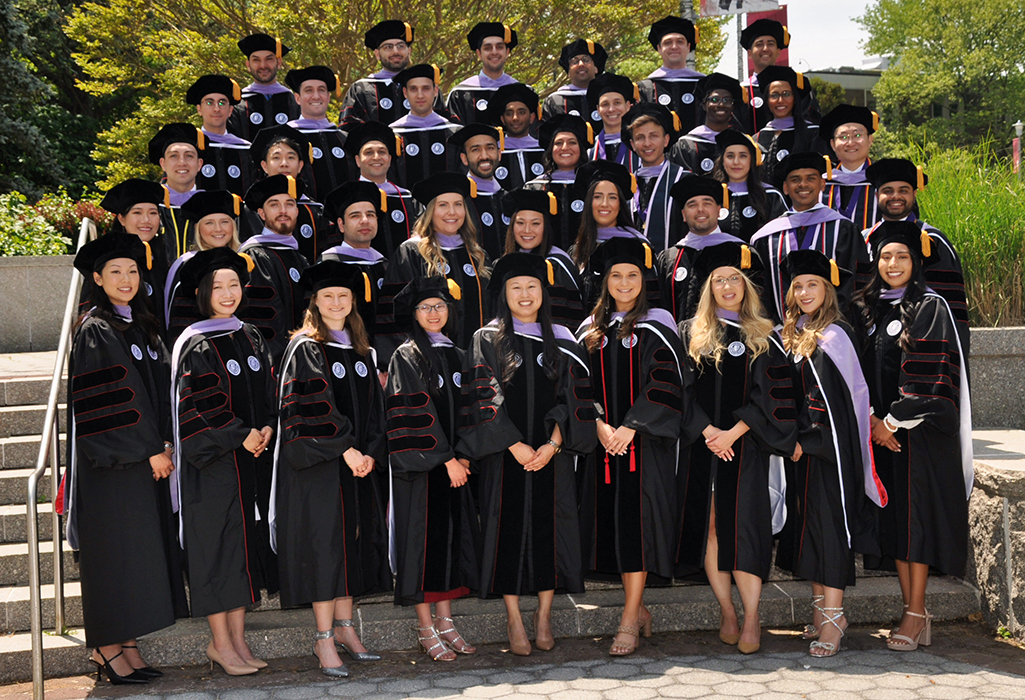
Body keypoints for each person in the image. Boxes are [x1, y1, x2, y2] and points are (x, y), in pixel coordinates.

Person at [458, 253, 596, 655]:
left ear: (543, 293)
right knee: (506, 529)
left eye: (531, 286)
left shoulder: (563, 340)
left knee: (551, 529)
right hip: (506, 454)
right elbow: (484, 397)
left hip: (551, 454)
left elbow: (575, 398)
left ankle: (544, 615)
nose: (524, 294)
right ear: (504, 294)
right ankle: (515, 617)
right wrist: (514, 444)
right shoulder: (487, 338)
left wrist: (553, 444)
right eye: (516, 287)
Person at [64, 233, 179, 685]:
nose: (126, 278)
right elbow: (111, 400)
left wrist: (164, 443)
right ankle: (106, 647)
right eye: (115, 271)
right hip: (111, 465)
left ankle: (128, 641)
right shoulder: (96, 329)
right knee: (113, 553)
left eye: (132, 270)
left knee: (135, 553)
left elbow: (155, 391)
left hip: (144, 459)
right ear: (97, 278)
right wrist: (150, 448)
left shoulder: (140, 326)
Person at [852, 221, 972, 652]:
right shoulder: (869, 308)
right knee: (897, 525)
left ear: (915, 261)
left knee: (915, 523)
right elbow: (857, 374)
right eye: (886, 256)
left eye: (902, 256)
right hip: (880, 435)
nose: (893, 263)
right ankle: (911, 609)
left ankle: (916, 611)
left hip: (917, 438)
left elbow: (930, 377)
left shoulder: (929, 306)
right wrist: (869, 420)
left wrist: (892, 422)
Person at [271, 260, 391, 677]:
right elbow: (309, 407)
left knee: (350, 548)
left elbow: (377, 411)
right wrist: (347, 451)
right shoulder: (306, 347)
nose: (337, 302)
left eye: (343, 295)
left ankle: (344, 629)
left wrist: (371, 452)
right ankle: (323, 639)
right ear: (315, 303)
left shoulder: (362, 350)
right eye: (328, 297)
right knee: (326, 550)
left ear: (353, 301)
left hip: (358, 468)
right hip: (322, 468)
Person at [676, 242, 796, 655]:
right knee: (710, 528)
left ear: (746, 286)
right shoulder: (691, 334)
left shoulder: (765, 335)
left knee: (744, 530)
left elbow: (776, 398)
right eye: (719, 280)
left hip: (745, 449)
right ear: (708, 287)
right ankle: (727, 610)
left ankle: (753, 614)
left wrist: (733, 432)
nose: (727, 286)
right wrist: (709, 431)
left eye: (734, 279)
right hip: (703, 448)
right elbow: (680, 395)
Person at [169, 248, 276, 676]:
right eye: (218, 287)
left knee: (240, 550)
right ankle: (219, 642)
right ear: (201, 293)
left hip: (248, 461)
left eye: (234, 284)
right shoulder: (195, 342)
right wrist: (240, 433)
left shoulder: (249, 334)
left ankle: (237, 640)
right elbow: (197, 407)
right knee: (216, 550)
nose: (228, 293)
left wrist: (267, 425)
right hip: (212, 466)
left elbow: (267, 392)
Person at [775, 249, 885, 658]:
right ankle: (822, 610)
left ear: (827, 290)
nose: (805, 292)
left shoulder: (834, 336)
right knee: (810, 531)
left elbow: (833, 404)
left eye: (813, 285)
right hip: (800, 451)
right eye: (799, 285)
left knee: (831, 531)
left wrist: (809, 440)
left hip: (827, 453)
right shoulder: (793, 332)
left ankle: (835, 616)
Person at [577, 237, 683, 656]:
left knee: (638, 528)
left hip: (643, 447)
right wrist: (601, 425)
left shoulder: (658, 323)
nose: (623, 282)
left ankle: (629, 617)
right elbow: (578, 387)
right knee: (616, 529)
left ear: (644, 280)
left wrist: (631, 427)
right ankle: (637, 610)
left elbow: (667, 385)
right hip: (604, 446)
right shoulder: (591, 329)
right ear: (605, 281)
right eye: (616, 276)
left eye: (632, 275)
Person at [385, 276, 481, 662]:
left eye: (440, 306)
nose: (433, 313)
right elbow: (412, 414)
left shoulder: (459, 355)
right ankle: (425, 626)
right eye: (425, 307)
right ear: (414, 314)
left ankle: (446, 622)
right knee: (424, 547)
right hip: (424, 471)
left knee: (452, 545)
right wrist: (447, 459)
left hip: (458, 468)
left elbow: (475, 410)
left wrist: (467, 455)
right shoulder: (405, 357)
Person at [863, 158, 969, 357]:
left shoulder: (932, 241)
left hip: (921, 343)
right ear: (877, 195)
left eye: (903, 190)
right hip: (873, 347)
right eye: (888, 190)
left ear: (914, 194)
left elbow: (952, 308)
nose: (896, 196)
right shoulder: (864, 241)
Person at [382, 173, 490, 359]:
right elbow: (396, 311)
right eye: (443, 205)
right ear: (430, 211)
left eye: (458, 204)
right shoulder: (412, 252)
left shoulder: (477, 255)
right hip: (429, 359)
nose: (452, 212)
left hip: (478, 361)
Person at [750, 153, 867, 323]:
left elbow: (855, 285)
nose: (803, 184)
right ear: (785, 188)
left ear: (822, 184)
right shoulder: (766, 238)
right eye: (795, 179)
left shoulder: (843, 229)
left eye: (810, 178)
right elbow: (761, 292)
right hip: (781, 335)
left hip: (831, 332)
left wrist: (839, 326)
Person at [237, 174, 310, 363]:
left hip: (302, 359)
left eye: (290, 204)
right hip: (273, 363)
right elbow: (261, 318)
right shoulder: (254, 256)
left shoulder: (300, 258)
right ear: (261, 213)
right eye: (274, 204)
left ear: (297, 210)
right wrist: (278, 361)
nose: (283, 210)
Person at [569, 161, 657, 308]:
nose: (605, 204)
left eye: (612, 197)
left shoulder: (638, 246)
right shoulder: (578, 249)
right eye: (597, 197)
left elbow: (651, 299)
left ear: (620, 204)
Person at [659, 176, 743, 323]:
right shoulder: (669, 259)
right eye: (692, 205)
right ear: (684, 215)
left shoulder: (741, 252)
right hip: (679, 342)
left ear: (718, 211)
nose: (700, 210)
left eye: (707, 203)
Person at [164, 190, 242, 344]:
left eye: (224, 222)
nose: (218, 229)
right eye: (209, 223)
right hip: (202, 350)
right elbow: (180, 322)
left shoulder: (241, 261)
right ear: (198, 229)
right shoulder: (188, 265)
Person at [340, 20, 447, 128]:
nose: (395, 51)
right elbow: (349, 130)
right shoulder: (361, 89)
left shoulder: (427, 87)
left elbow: (443, 127)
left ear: (409, 51)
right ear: (377, 54)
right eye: (388, 47)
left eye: (400, 46)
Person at [96, 179, 171, 333]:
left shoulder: (165, 258)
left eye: (153, 213)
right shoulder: (105, 258)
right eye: (137, 212)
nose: (146, 220)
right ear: (121, 218)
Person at [502, 188, 585, 327]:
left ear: (546, 227)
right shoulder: (506, 263)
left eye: (535, 223)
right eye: (520, 223)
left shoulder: (557, 265)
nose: (527, 230)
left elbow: (565, 320)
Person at [247, 124, 329, 262]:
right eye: (276, 158)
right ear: (264, 166)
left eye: (291, 158)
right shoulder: (249, 211)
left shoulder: (317, 211)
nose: (284, 164)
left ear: (300, 166)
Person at [346, 120, 420, 257]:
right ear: (357, 160)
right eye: (368, 152)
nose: (376, 157)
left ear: (390, 159)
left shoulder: (407, 198)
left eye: (382, 152)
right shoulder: (345, 198)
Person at [621, 103, 687, 250]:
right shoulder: (625, 185)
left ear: (666, 140)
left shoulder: (685, 181)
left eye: (654, 136)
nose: (647, 143)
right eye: (640, 138)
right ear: (632, 144)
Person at [738, 19, 820, 134]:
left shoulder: (798, 86)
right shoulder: (743, 91)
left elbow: (812, 123)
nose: (765, 48)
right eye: (759, 44)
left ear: (778, 51)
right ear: (750, 53)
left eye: (770, 44)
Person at [284, 66, 354, 201]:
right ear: (297, 98)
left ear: (328, 97)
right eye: (309, 90)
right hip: (305, 216)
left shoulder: (345, 139)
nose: (316, 96)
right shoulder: (286, 139)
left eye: (321, 90)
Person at [524, 114, 592, 251]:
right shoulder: (534, 188)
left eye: (572, 142)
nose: (565, 148)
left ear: (581, 148)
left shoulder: (592, 185)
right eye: (558, 143)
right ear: (551, 150)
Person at [389, 64, 462, 188]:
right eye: (413, 89)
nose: (420, 95)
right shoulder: (393, 134)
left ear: (435, 91)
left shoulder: (454, 133)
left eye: (426, 88)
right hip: (407, 205)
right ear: (405, 93)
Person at [709, 129, 787, 243]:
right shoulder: (711, 195)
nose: (736, 162)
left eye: (743, 156)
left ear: (752, 160)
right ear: (722, 161)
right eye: (730, 156)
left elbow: (780, 240)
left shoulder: (770, 195)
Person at [753, 67, 823, 185]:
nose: (780, 100)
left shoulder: (813, 134)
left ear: (795, 98)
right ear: (767, 100)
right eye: (774, 95)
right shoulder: (757, 138)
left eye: (786, 94)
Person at [636, 17, 705, 135]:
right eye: (667, 43)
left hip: (699, 151)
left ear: (688, 47)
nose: (674, 47)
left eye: (680, 42)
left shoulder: (704, 84)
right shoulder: (645, 87)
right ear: (659, 48)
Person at [319, 180, 389, 296]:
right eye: (355, 216)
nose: (365, 221)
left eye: (370, 215)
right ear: (341, 225)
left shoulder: (384, 265)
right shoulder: (329, 265)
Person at [186, 75, 252, 196]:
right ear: (199, 109)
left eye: (222, 103)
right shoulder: (188, 148)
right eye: (209, 102)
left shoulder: (246, 149)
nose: (216, 109)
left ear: (230, 110)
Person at [227, 33, 301, 142]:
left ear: (279, 63)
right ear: (248, 65)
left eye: (269, 59)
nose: (263, 65)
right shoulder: (238, 104)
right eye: (256, 60)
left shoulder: (294, 102)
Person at [448, 123, 507, 258]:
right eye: (476, 150)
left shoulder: (509, 199)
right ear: (464, 159)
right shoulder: (458, 201)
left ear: (499, 154)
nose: (484, 156)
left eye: (490, 148)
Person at [819, 105, 881, 232]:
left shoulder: (884, 180)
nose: (850, 143)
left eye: (857, 135)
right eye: (843, 137)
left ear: (870, 140)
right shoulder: (822, 183)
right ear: (833, 145)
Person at [670, 73, 744, 175]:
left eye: (727, 100)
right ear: (704, 105)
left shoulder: (742, 142)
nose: (721, 104)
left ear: (733, 107)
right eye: (714, 100)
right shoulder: (687, 145)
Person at [148, 123, 203, 259]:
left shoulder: (212, 205)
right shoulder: (150, 205)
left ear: (199, 164)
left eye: (189, 156)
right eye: (174, 156)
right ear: (163, 164)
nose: (182, 162)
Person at [447, 22, 519, 126]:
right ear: (479, 54)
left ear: (507, 52)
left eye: (499, 47)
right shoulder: (461, 93)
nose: (494, 52)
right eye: (488, 48)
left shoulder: (520, 91)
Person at [487, 83, 544, 191]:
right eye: (509, 113)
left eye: (521, 112)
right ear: (502, 119)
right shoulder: (494, 152)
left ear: (532, 118)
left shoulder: (543, 150)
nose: (515, 118)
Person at [542, 39, 607, 130]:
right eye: (575, 61)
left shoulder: (608, 96)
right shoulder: (556, 101)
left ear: (596, 68)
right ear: (568, 72)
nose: (581, 64)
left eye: (586, 59)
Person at [586, 73, 639, 170]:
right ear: (598, 109)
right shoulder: (590, 150)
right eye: (605, 104)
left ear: (628, 106)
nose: (611, 109)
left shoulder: (640, 144)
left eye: (617, 103)